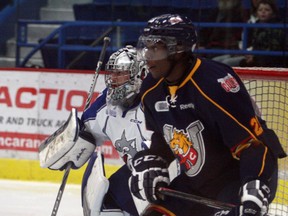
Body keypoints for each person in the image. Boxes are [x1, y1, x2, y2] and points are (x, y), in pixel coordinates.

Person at [129, 14, 286, 216]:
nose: (148, 56)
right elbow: (162, 137)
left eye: (155, 48)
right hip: (196, 184)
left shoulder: (214, 84)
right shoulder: (151, 88)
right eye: (146, 47)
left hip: (238, 182)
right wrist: (151, 161)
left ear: (177, 49)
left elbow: (254, 145)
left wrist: (254, 184)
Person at [39, 45, 178, 216]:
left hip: (170, 176)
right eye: (111, 73)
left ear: (140, 74)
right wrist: (69, 144)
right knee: (105, 202)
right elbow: (84, 133)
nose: (113, 79)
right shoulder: (105, 105)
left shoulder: (160, 101)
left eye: (120, 73)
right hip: (136, 173)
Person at [239, 0, 286, 67]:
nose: (263, 12)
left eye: (267, 10)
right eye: (260, 10)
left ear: (273, 12)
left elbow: (272, 51)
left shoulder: (277, 28)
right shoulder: (254, 26)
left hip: (269, 62)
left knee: (229, 63)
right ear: (256, 12)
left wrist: (254, 57)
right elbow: (250, 45)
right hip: (253, 57)